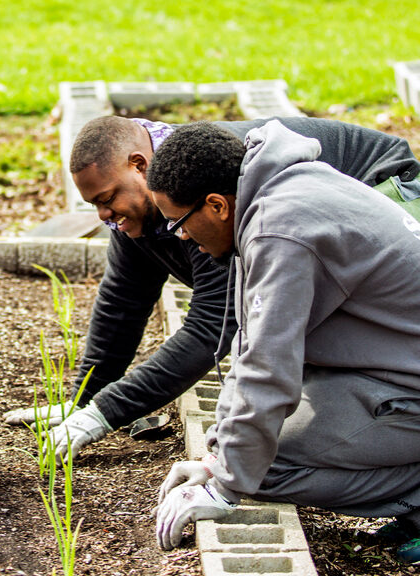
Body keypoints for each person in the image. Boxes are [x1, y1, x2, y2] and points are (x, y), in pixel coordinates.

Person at [4, 114, 420, 464]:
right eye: (95, 204)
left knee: (312, 339)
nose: (104, 215)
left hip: (386, 189)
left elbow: (214, 325)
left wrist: (105, 414)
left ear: (139, 165)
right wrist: (85, 401)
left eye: (108, 198)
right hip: (312, 230)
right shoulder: (146, 200)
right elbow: (123, 301)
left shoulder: (203, 190)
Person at [149, 120, 420, 563]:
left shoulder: (281, 230)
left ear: (216, 205)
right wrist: (216, 455)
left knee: (263, 466)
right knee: (250, 449)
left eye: (178, 223)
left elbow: (268, 370)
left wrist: (225, 484)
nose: (183, 238)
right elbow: (253, 347)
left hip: (405, 386)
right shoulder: (284, 186)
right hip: (392, 370)